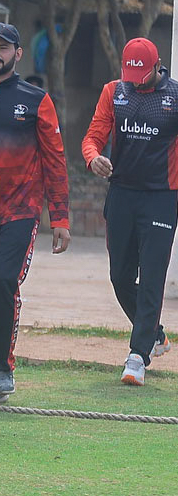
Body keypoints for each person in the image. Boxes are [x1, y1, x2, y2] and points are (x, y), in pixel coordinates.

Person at [0, 23, 71, 403]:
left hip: (19, 212)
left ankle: (2, 369)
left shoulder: (37, 100)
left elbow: (55, 160)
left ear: (17, 54)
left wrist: (60, 218)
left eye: (3, 48)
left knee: (3, 280)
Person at [81, 37, 177, 386]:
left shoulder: (175, 96)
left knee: (152, 277)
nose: (135, 82)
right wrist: (93, 157)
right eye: (130, 75)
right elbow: (92, 137)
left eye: (142, 75)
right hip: (121, 193)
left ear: (157, 66)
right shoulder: (114, 91)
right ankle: (155, 333)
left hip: (161, 196)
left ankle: (137, 357)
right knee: (120, 277)